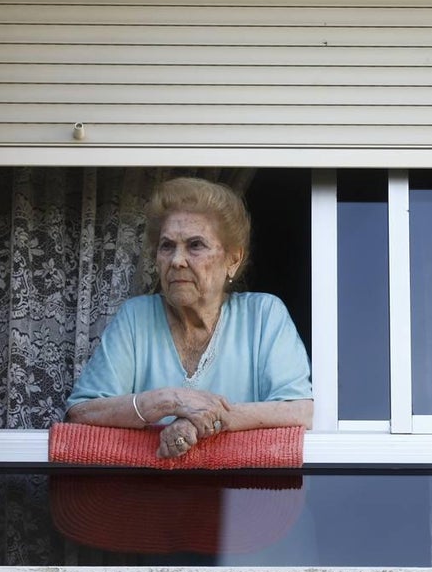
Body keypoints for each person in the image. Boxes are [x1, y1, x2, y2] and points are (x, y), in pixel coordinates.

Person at [65, 177, 313, 459]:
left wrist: (206, 421)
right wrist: (169, 401)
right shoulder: (136, 317)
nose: (177, 260)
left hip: (241, 496)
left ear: (232, 260)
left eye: (195, 245)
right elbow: (81, 413)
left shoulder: (263, 315)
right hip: (143, 493)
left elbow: (299, 410)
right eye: (167, 246)